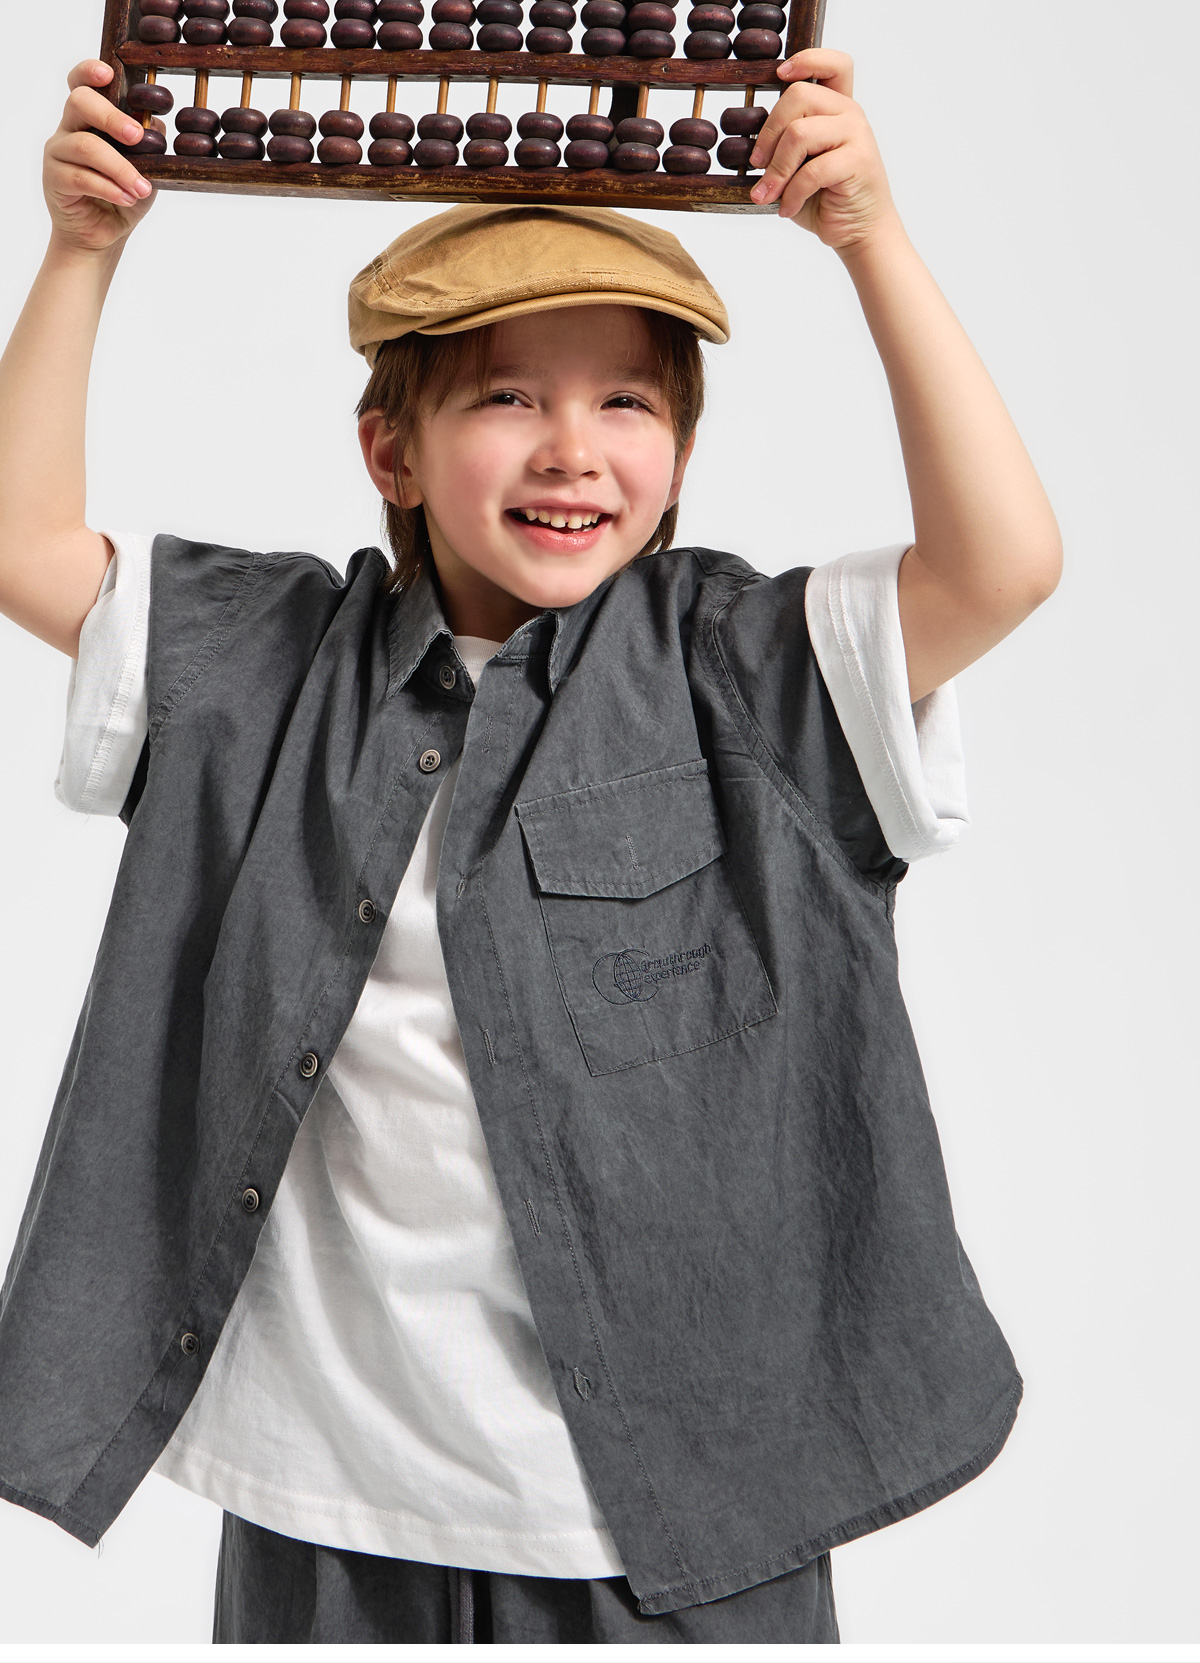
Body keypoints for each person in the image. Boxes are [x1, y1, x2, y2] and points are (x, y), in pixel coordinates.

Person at [0, 46, 1062, 1646]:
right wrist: (81, 251)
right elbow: (22, 542)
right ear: (392, 450)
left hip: (678, 1517)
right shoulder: (271, 666)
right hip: (331, 1506)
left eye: (626, 402)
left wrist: (871, 241)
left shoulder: (746, 676)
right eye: (507, 398)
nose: (573, 449)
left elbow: (1005, 563)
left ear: (680, 454)